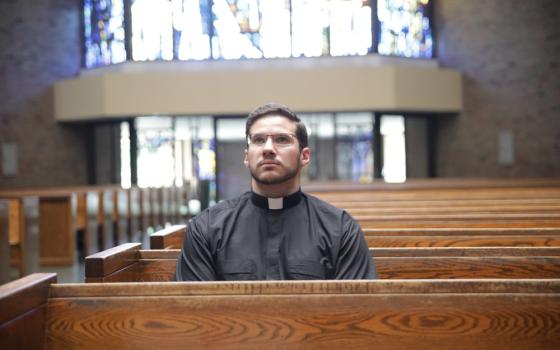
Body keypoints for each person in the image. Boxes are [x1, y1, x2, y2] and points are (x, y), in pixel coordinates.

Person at [175, 103, 377, 280]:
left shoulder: (340, 229)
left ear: (304, 156)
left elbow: (354, 309)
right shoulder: (207, 228)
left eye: (282, 139)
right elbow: (193, 310)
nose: (268, 149)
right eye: (259, 140)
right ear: (247, 156)